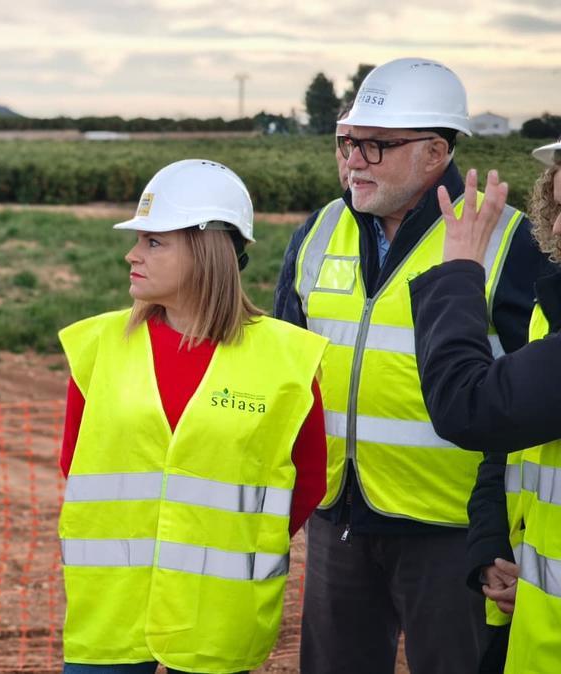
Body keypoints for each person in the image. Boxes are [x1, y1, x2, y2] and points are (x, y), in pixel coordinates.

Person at [272, 57, 550, 674]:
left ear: (434, 152)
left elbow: (528, 400)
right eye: (347, 142)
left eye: (375, 145)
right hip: (339, 517)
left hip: (455, 533)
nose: (354, 160)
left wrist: (498, 535)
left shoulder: (508, 240)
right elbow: (285, 374)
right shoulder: (318, 231)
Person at [58, 159, 329, 674]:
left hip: (217, 617)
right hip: (110, 610)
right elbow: (76, 464)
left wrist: (238, 541)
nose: (132, 254)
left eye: (153, 242)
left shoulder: (285, 361)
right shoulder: (97, 347)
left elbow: (309, 482)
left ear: (206, 251)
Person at [410, 137, 561, 673]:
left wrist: (459, 271)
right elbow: (515, 451)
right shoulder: (549, 315)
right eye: (558, 206)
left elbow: (468, 404)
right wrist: (493, 547)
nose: (559, 227)